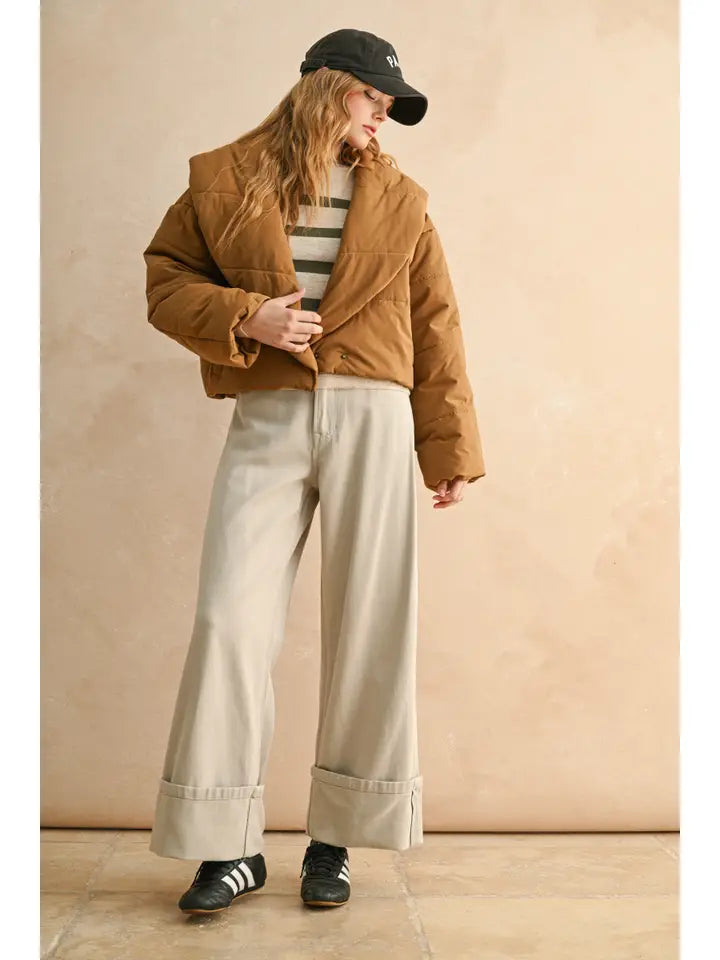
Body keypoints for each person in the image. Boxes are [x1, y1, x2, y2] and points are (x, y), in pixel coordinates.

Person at [142, 27, 487, 915]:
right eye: (374, 98)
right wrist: (246, 315)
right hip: (270, 410)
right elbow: (165, 281)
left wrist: (447, 448)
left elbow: (436, 325)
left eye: (389, 106)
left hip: (375, 412)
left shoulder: (402, 200)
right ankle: (227, 845)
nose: (382, 118)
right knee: (229, 619)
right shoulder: (224, 179)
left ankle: (335, 838)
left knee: (373, 621)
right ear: (329, 88)